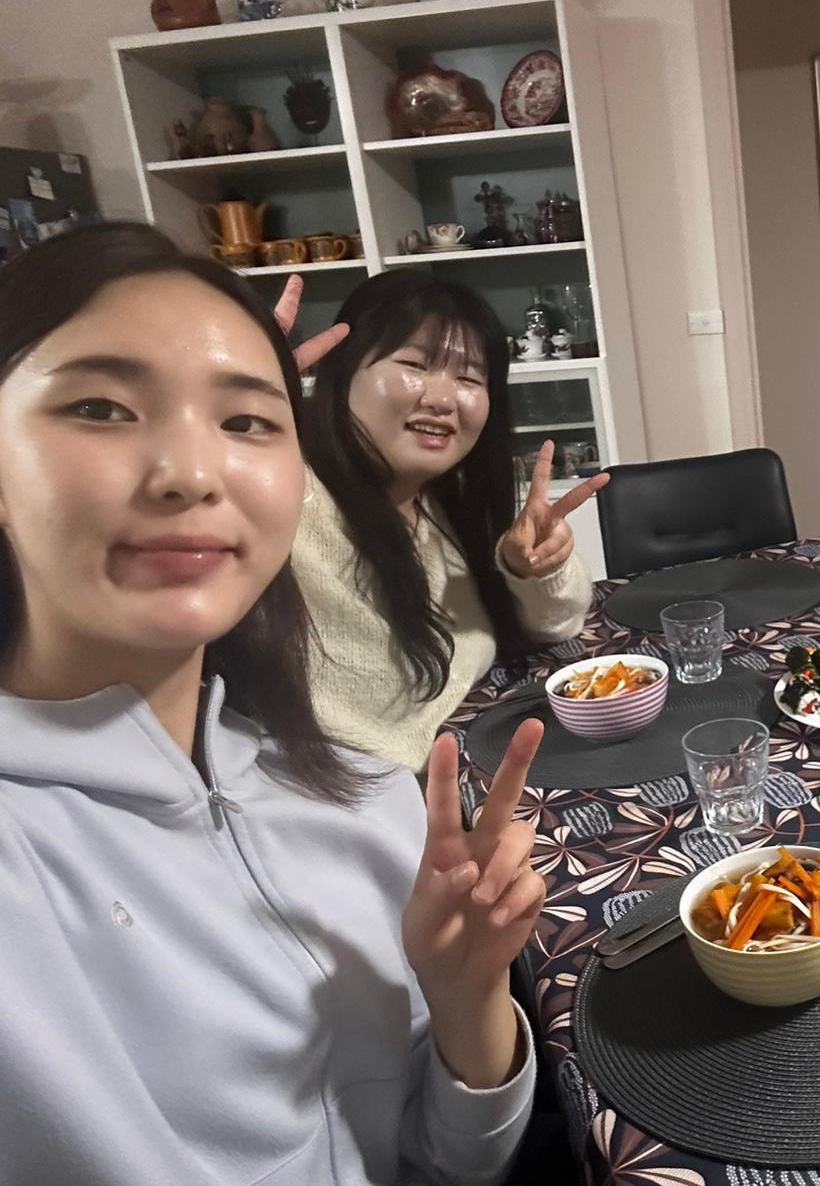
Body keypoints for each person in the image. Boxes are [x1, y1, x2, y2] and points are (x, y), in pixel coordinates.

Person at [0, 223, 550, 1181]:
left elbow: (447, 1162)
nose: (190, 472)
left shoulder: (360, 801)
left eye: (246, 421)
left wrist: (470, 1005)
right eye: (101, 406)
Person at [290, 271, 605, 772]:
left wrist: (529, 569)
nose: (442, 398)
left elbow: (556, 625)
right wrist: (234, 408)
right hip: (361, 806)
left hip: (470, 762)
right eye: (415, 364)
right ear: (342, 370)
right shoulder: (284, 496)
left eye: (469, 378)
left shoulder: (443, 502)